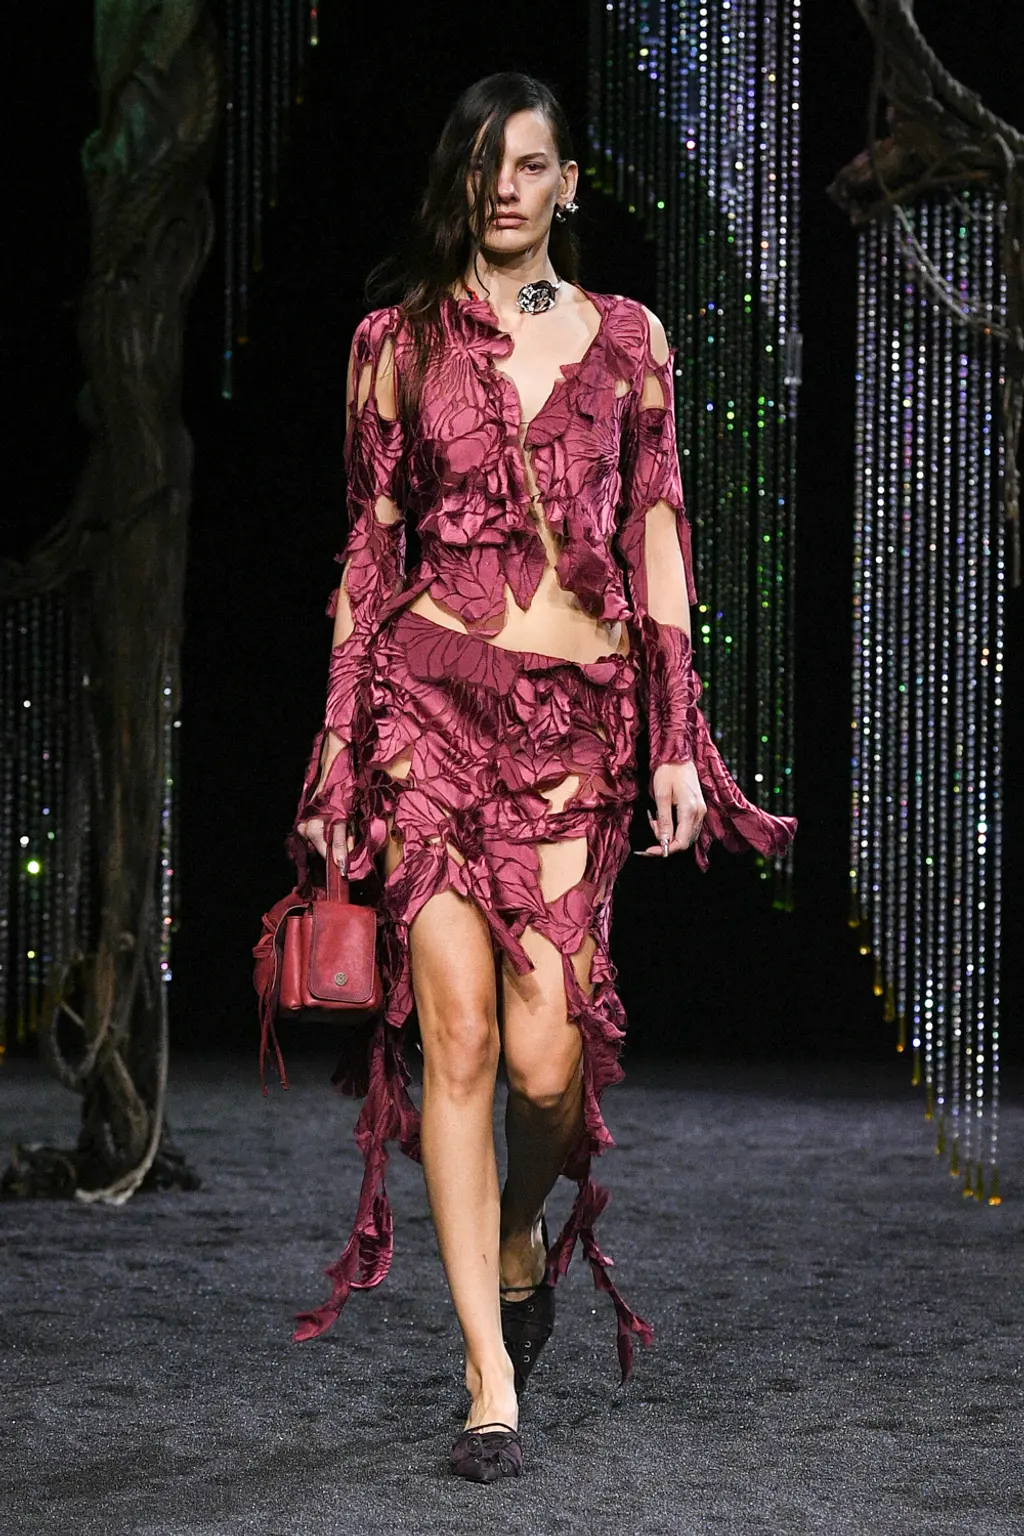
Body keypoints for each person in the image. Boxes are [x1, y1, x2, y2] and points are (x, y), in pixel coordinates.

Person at [261, 71, 797, 1483]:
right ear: (461, 178)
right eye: (485, 162)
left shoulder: (629, 340)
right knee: (458, 1038)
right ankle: (488, 1381)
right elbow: (369, 552)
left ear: (567, 183)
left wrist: (680, 738)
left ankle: (515, 1239)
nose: (507, 186)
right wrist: (335, 751)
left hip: (577, 732)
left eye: (533, 163)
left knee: (550, 1055)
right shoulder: (395, 341)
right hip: (425, 717)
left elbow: (660, 536)